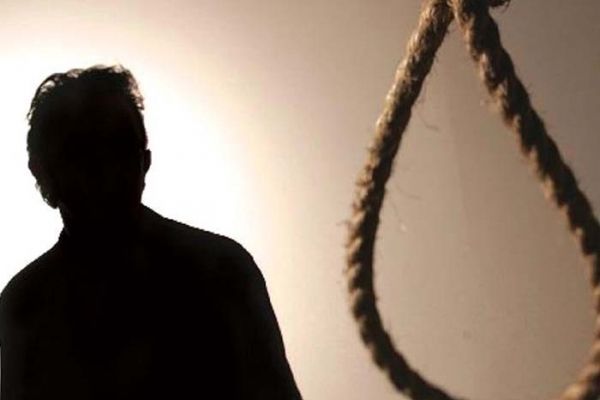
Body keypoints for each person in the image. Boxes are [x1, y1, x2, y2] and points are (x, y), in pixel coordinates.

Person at [0, 65, 302, 399]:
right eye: (81, 150)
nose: (105, 167)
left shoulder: (220, 272)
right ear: (43, 171)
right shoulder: (25, 305)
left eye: (119, 145)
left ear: (145, 161)